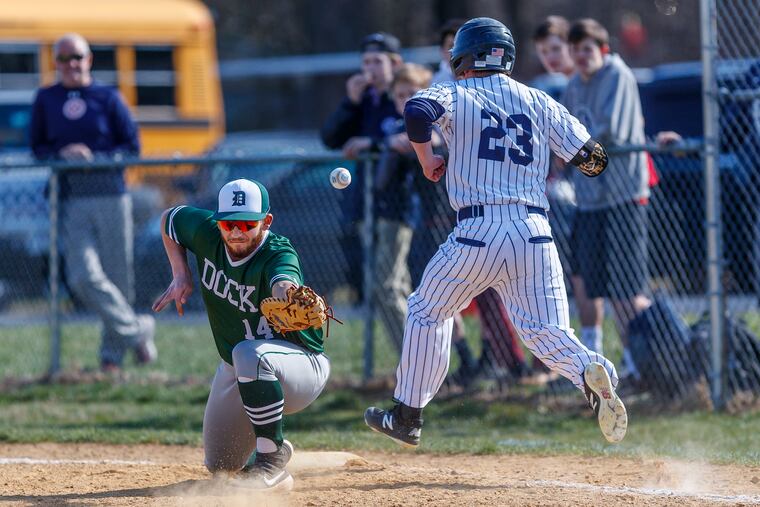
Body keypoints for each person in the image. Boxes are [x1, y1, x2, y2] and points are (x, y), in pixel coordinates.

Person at [364, 17, 628, 447]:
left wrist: (429, 158)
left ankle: (407, 415)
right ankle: (592, 370)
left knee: (427, 310)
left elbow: (415, 111)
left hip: (479, 230)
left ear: (464, 57)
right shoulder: (538, 99)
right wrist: (544, 156)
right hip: (534, 231)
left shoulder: (455, 90)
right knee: (547, 332)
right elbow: (594, 160)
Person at [152, 179, 330, 491]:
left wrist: (287, 294)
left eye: (248, 224)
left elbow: (283, 281)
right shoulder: (206, 232)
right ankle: (275, 443)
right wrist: (180, 273)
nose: (236, 232)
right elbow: (168, 219)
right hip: (240, 368)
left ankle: (271, 463)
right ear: (218, 220)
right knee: (221, 465)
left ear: (267, 221)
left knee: (248, 352)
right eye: (229, 223)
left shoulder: (277, 253)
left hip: (300, 367)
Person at [29, 33, 156, 371]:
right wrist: (61, 154)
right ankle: (138, 331)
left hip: (111, 196)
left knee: (119, 276)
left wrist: (96, 157)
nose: (71, 64)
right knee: (82, 275)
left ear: (89, 60)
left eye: (78, 57)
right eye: (64, 58)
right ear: (55, 63)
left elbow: (131, 147)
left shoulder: (108, 97)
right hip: (71, 199)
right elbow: (37, 148)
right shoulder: (46, 99)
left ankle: (110, 358)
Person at [562, 18, 653, 379]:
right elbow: (567, 127)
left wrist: (568, 147)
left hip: (621, 196)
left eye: (587, 49)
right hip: (587, 199)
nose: (581, 57)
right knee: (587, 281)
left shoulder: (617, 74)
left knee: (625, 287)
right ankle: (594, 368)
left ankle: (638, 365)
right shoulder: (572, 84)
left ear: (602, 49)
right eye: (576, 50)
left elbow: (609, 131)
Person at [320, 32, 404, 345]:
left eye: (377, 61)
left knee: (390, 287)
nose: (369, 68)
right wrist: (350, 102)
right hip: (366, 204)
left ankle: (420, 361)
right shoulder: (364, 101)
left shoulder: (402, 97)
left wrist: (373, 144)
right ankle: (414, 362)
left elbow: (407, 137)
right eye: (365, 61)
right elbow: (330, 138)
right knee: (383, 287)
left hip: (399, 206)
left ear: (395, 63)